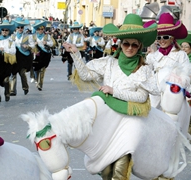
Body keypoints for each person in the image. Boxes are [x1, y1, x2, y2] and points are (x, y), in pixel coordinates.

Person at [63, 13, 158, 180]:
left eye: (134, 45)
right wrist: (75, 54)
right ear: (120, 45)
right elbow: (86, 75)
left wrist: (114, 91)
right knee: (106, 172)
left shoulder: (144, 69)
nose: (129, 48)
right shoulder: (108, 63)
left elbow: (142, 98)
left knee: (120, 172)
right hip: (107, 122)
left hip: (129, 123)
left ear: (140, 47)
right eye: (126, 44)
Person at [145, 13, 189, 108]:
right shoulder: (151, 57)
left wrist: (176, 83)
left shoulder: (181, 55)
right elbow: (146, 75)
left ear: (172, 38)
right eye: (159, 38)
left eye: (165, 37)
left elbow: (186, 76)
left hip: (173, 95)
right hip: (155, 96)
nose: (162, 41)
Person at [10, 17, 35, 96]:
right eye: (18, 27)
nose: (20, 29)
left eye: (21, 27)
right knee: (13, 73)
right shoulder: (12, 37)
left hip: (24, 58)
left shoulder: (28, 36)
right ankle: (12, 90)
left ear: (23, 28)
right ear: (16, 28)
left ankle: (25, 87)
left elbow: (33, 46)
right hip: (15, 57)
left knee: (22, 73)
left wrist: (27, 46)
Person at [31, 19, 54, 91]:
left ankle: (40, 84)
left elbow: (52, 43)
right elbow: (29, 44)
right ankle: (35, 79)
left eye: (42, 29)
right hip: (36, 55)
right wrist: (33, 45)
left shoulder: (47, 36)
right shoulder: (33, 37)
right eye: (38, 29)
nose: (40, 30)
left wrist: (46, 43)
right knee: (36, 69)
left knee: (42, 69)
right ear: (36, 30)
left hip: (45, 55)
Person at [0, 20, 16, 102]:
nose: (4, 32)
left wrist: (4, 49)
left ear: (9, 31)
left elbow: (13, 51)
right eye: (3, 30)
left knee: (6, 80)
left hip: (7, 63)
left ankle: (7, 93)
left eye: (6, 30)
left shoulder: (11, 41)